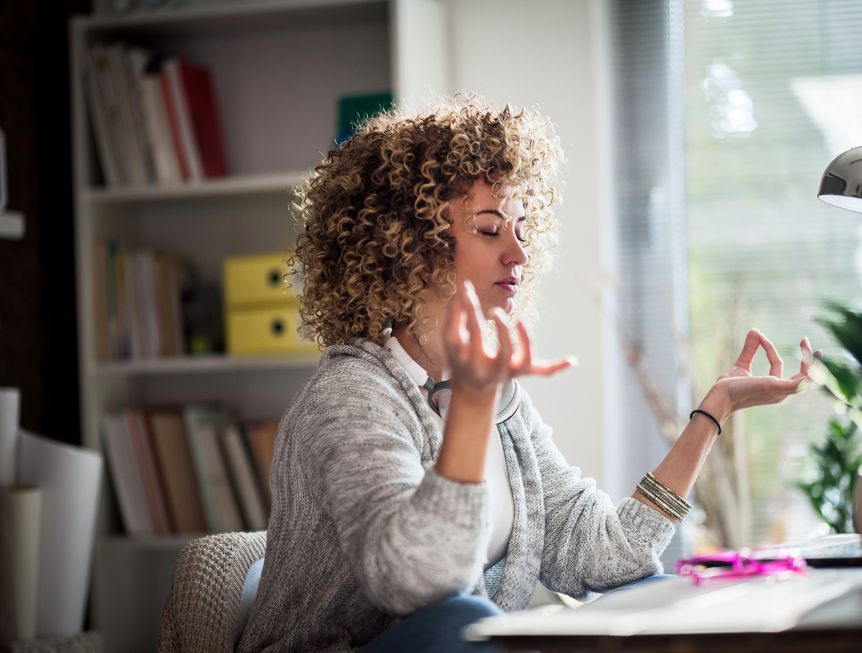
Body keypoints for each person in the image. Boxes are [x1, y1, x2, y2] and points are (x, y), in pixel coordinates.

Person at [236, 95, 813, 653]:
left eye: (521, 228)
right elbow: (417, 585)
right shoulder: (351, 395)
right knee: (464, 620)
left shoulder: (496, 393)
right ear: (409, 245)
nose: (518, 253)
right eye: (490, 230)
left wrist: (713, 413)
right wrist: (474, 407)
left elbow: (602, 554)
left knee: (654, 598)